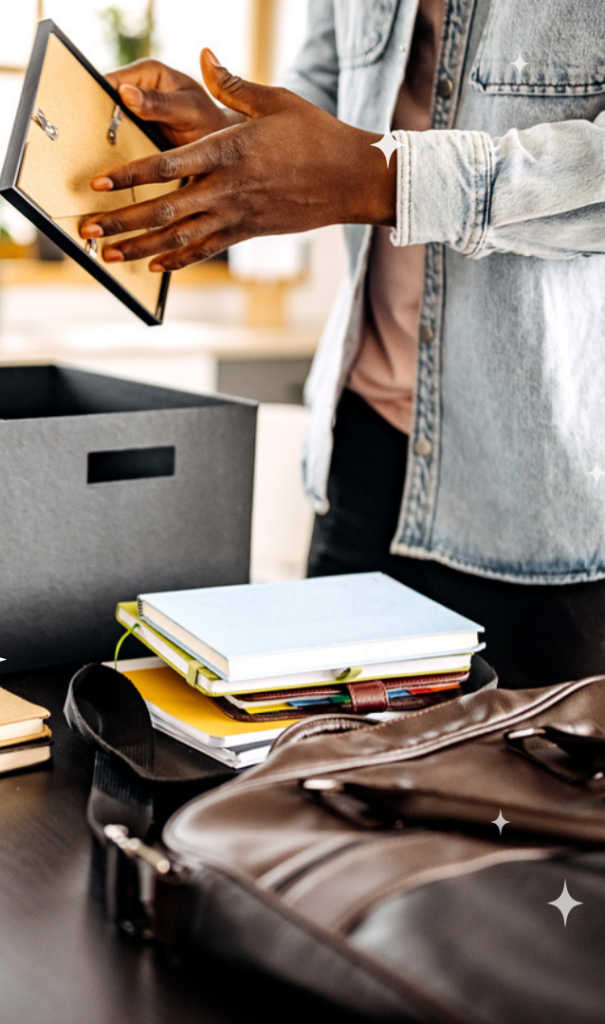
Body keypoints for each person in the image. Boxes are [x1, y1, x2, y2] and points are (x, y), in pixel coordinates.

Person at [79, 0, 605, 688]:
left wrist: (381, 178)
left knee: (518, 791)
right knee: (315, 778)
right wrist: (230, 142)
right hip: (359, 452)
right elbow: (329, 89)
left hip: (542, 488)